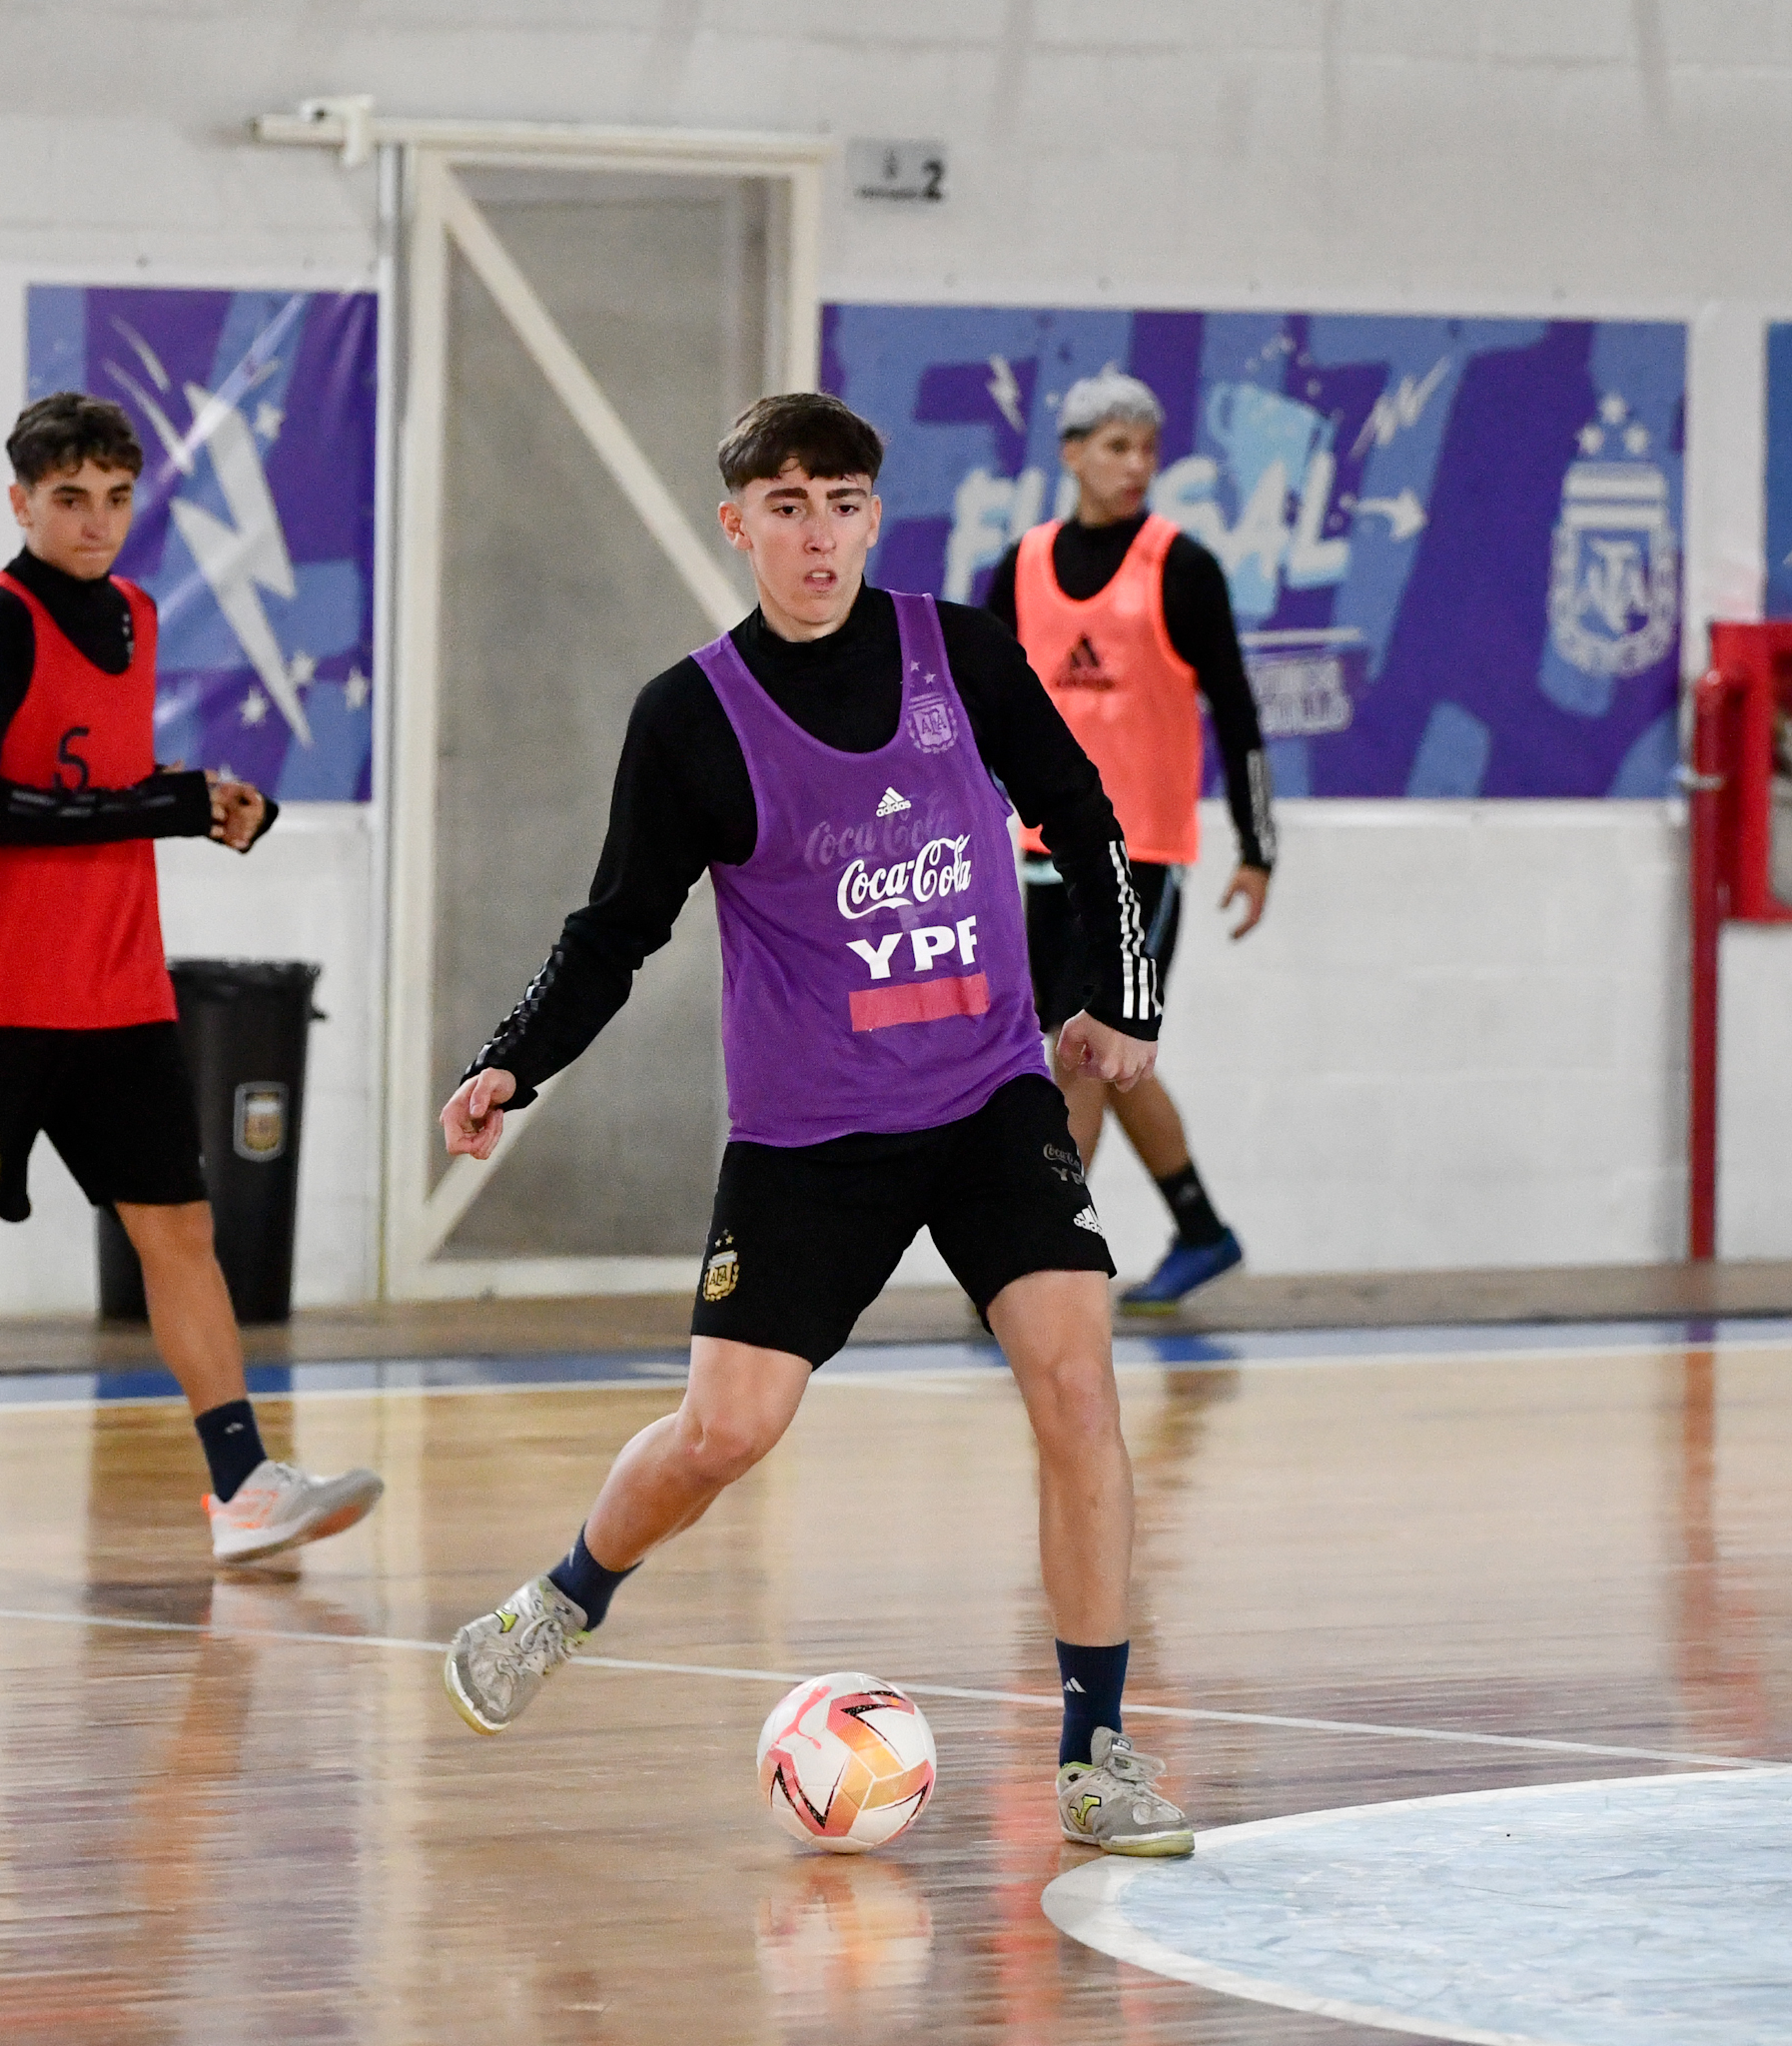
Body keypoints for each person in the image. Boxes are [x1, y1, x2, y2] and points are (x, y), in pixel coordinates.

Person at [436, 392, 1198, 1856]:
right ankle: (564, 1598)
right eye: (786, 507)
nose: (818, 534)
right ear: (740, 526)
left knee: (1078, 1388)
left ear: (873, 516)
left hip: (988, 1095)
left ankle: (1096, 1755)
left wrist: (1122, 996)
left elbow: (1086, 813)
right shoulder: (689, 718)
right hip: (811, 1136)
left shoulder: (959, 653)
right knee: (726, 1431)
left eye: (842, 503)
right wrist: (511, 1064)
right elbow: (615, 930)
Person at [0, 391, 383, 1565]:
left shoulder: (136, 615)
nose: (96, 520)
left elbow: (100, 783)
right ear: (21, 500)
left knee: (178, 1226)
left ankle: (243, 1484)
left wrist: (206, 801)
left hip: (118, 986)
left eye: (118, 498)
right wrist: (155, 808)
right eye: (70, 498)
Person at [986, 372, 1276, 1310]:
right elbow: (976, 710)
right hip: (1042, 852)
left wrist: (1258, 849)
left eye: (1148, 449)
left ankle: (1043, 1258)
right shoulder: (1022, 567)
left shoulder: (1180, 568)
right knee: (1092, 1053)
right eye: (1116, 446)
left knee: (1085, 1049)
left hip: (1140, 856)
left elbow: (1238, 714)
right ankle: (1200, 1228)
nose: (1136, 465)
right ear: (1071, 453)